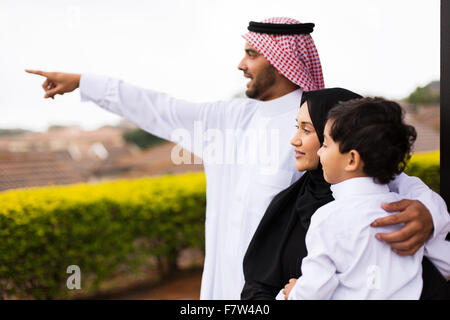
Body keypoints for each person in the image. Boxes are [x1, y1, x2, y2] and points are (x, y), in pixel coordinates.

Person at [25, 18, 449, 300]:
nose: (241, 64)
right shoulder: (225, 119)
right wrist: (85, 83)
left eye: (252, 54)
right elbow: (157, 106)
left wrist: (428, 212)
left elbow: (384, 170)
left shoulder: (329, 112)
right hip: (228, 291)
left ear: (282, 61)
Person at [241, 88, 450, 300]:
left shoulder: (399, 205)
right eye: (297, 127)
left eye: (308, 130)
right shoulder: (289, 203)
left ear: (352, 158)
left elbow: (311, 292)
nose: (294, 140)